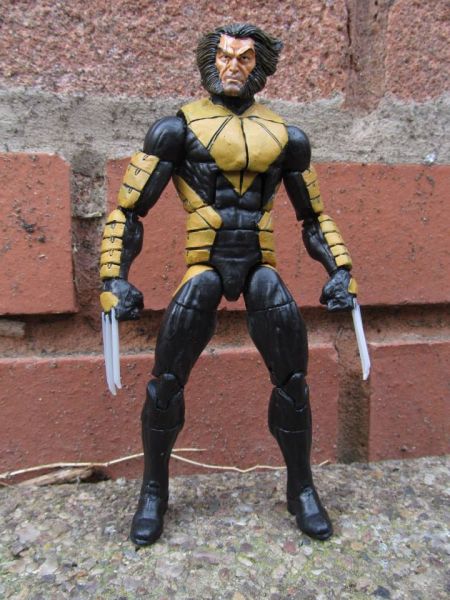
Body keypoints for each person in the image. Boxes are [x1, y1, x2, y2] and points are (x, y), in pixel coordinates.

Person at [99, 23, 357, 546]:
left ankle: (301, 487)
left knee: (293, 379)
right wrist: (114, 278)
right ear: (208, 62)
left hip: (260, 263)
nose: (231, 67)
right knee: (166, 381)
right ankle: (154, 490)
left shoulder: (287, 138)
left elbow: (313, 216)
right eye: (223, 57)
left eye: (243, 59)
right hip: (206, 264)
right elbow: (128, 210)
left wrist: (341, 271)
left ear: (260, 67)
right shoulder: (175, 131)